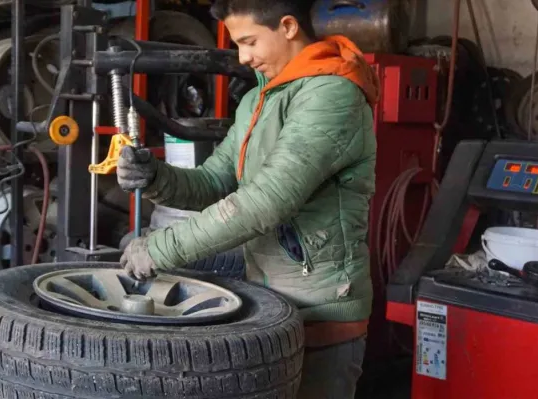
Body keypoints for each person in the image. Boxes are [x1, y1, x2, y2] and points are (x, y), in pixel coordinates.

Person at [117, 0, 379, 397]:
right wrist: (155, 177)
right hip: (272, 310)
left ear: (288, 26)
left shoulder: (332, 94)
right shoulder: (259, 101)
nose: (243, 57)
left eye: (250, 41)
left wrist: (160, 249)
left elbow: (266, 202)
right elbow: (214, 181)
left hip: (323, 312)